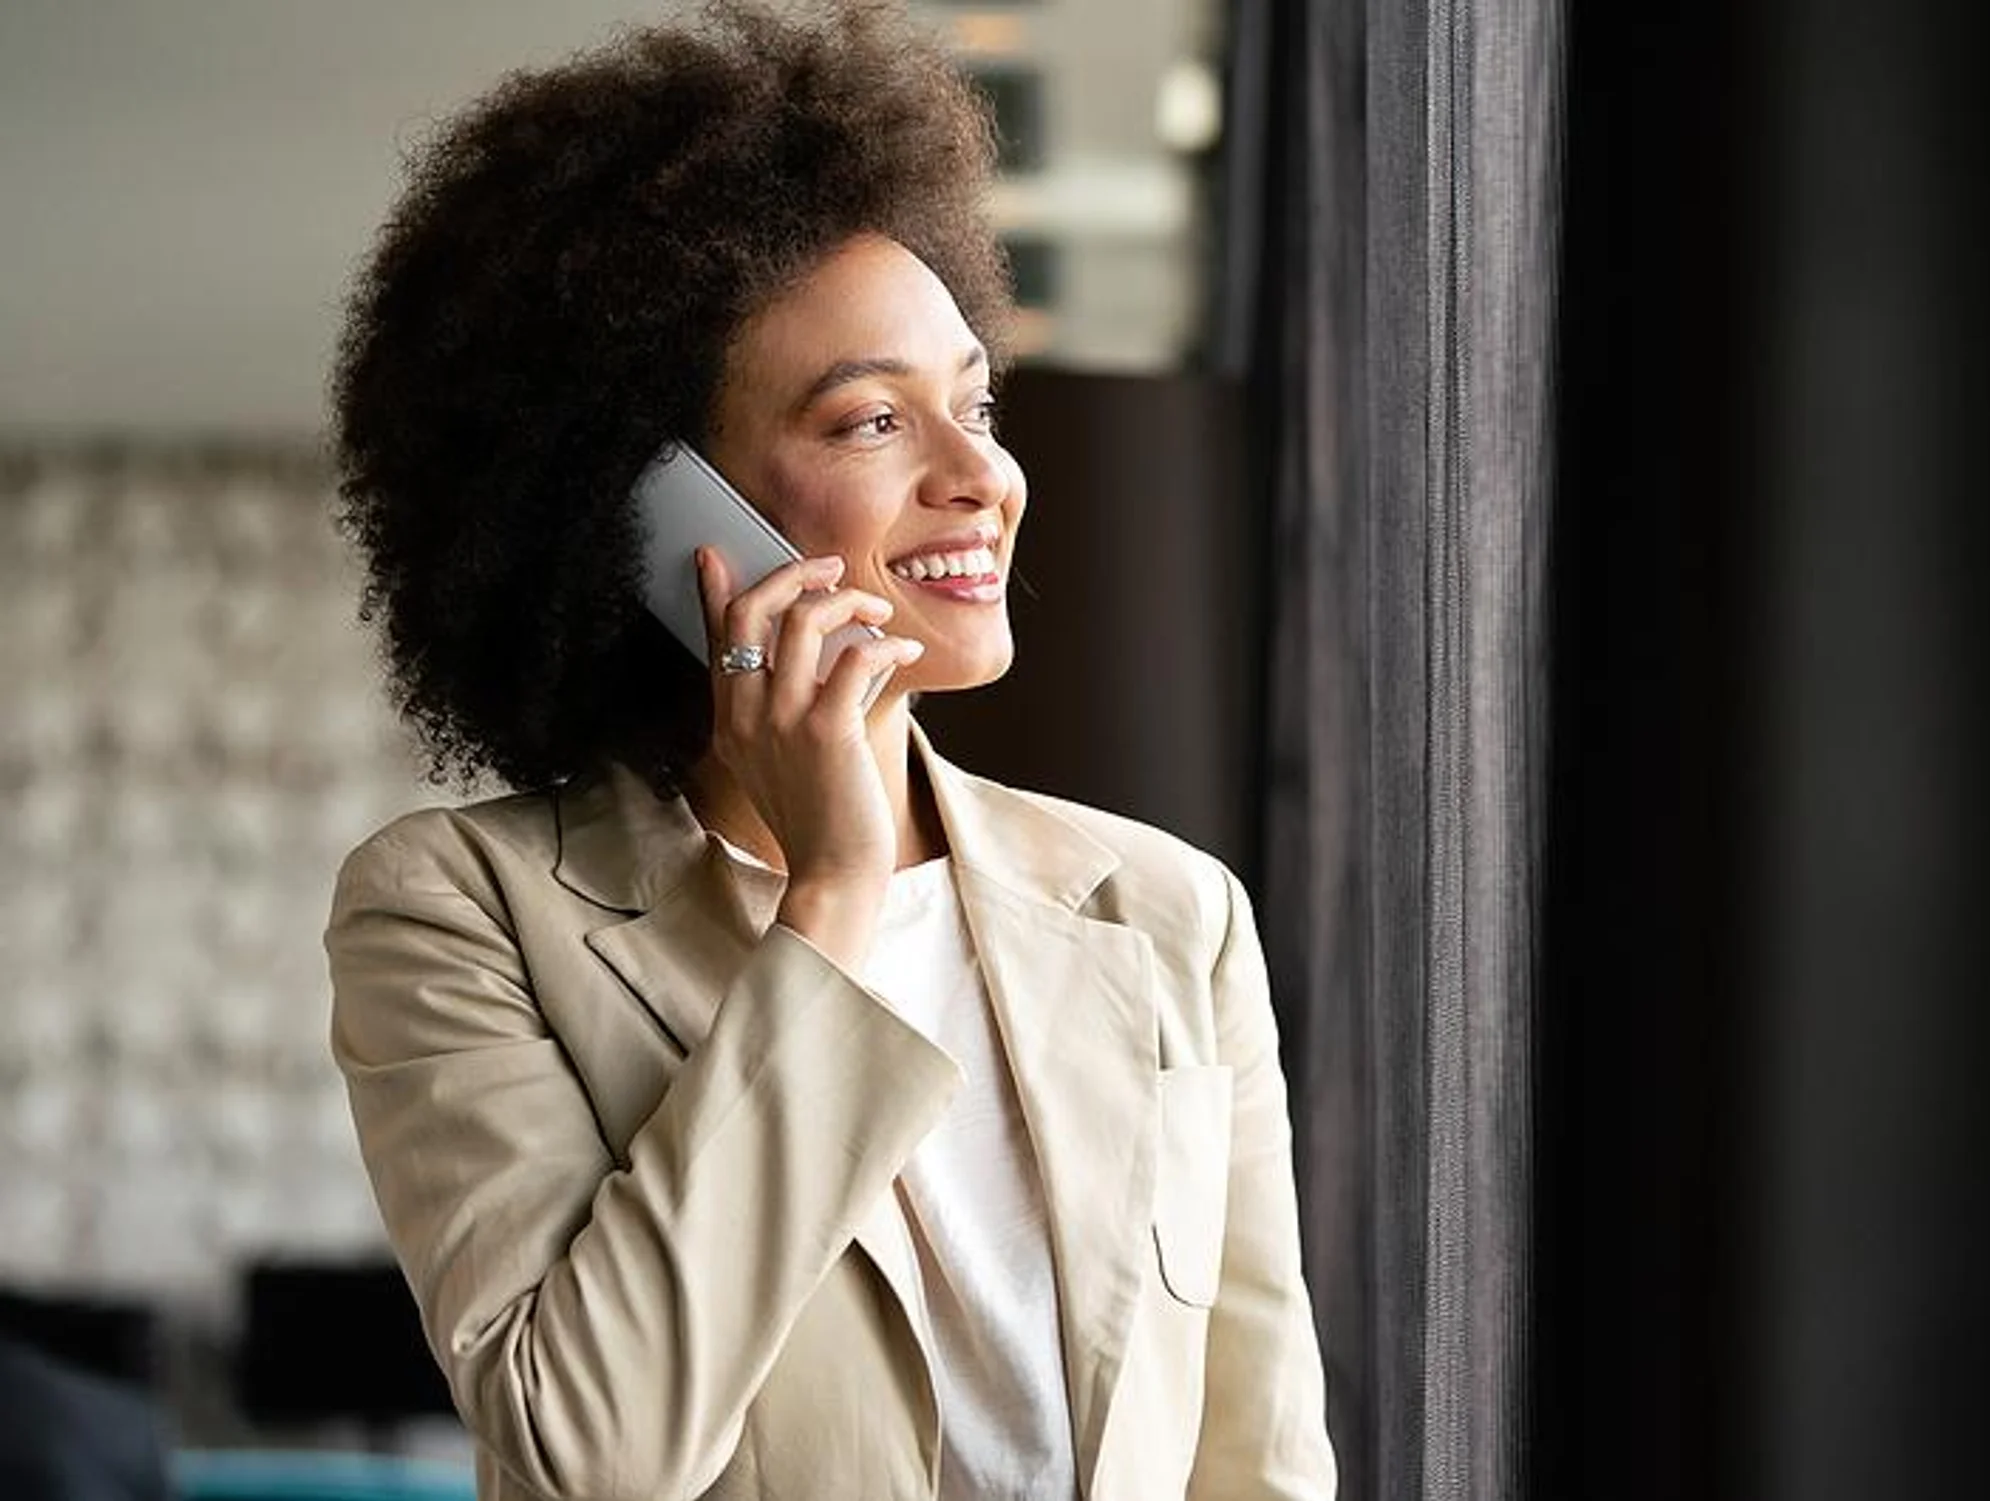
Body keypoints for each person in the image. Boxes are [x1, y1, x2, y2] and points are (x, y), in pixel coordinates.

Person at [324, 4, 1337, 1498]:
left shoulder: (1169, 917)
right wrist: (839, 893)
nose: (982, 475)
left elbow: (1261, 1466)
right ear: (657, 519)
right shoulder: (459, 913)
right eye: (873, 420)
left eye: (975, 405)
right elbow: (588, 1460)